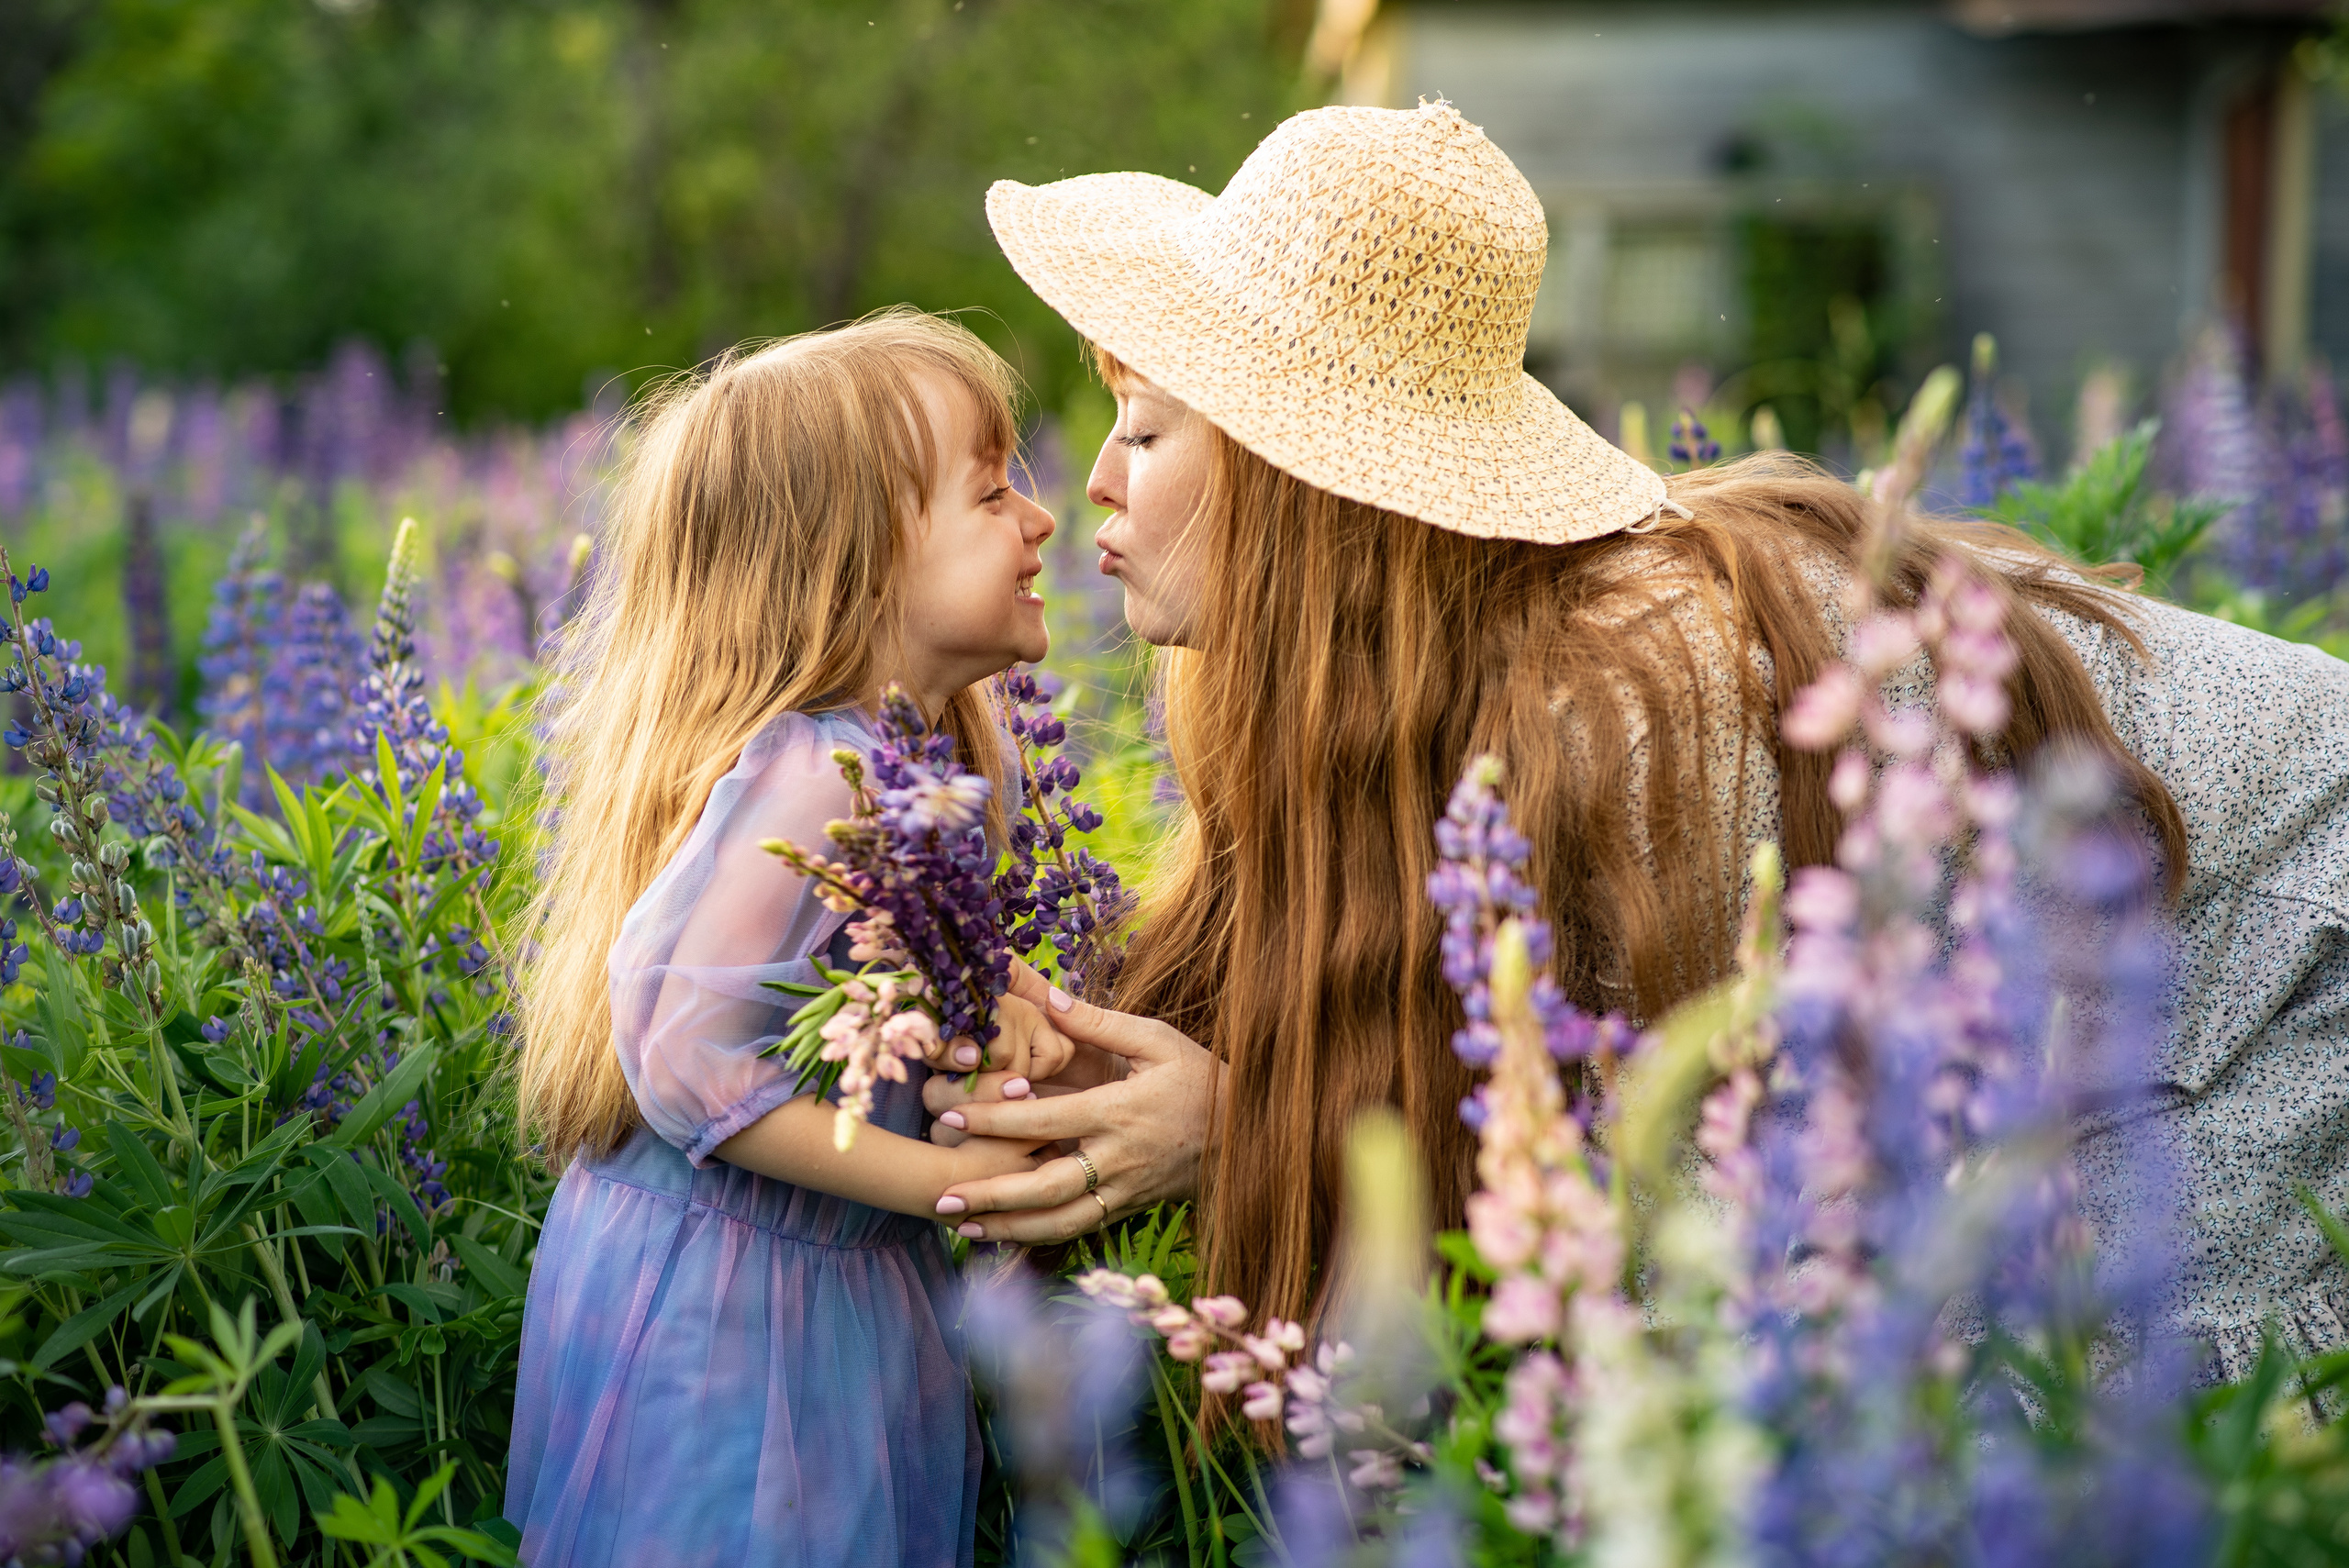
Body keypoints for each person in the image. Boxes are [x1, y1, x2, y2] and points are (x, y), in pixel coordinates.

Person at [930, 102, 2349, 1383]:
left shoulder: (1646, 714)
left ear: (1301, 493)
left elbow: (1700, 1225)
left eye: (1152, 429)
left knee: (1980, 1387)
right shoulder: (1416, 663)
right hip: (2115, 965)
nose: (1097, 479)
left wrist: (1248, 1134)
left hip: (2289, 951)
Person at [508, 309, 1075, 1567]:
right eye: (991, 493)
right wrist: (956, 1188)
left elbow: (873, 979)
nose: (1042, 521)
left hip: (826, 1293)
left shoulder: (904, 770)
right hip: (735, 1319)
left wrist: (1006, 1006)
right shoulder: (820, 770)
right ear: (862, 560)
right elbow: (682, 1050)